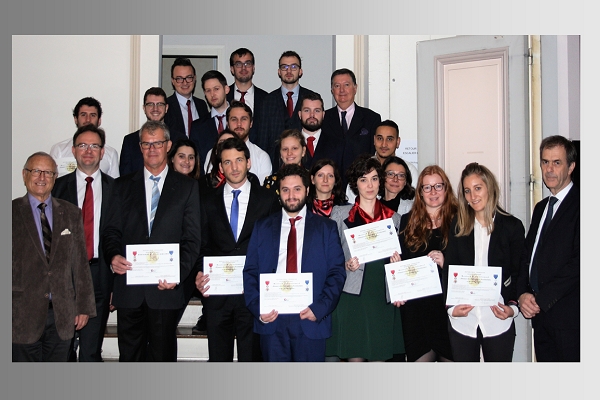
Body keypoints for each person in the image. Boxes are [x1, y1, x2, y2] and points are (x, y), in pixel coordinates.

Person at [102, 120, 201, 362]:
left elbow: (192, 239)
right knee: (130, 357)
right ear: (140, 147)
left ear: (168, 145)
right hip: (129, 289)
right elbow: (110, 231)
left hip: (165, 290)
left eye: (157, 143)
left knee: (162, 357)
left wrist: (177, 273)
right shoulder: (121, 186)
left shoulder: (187, 187)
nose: (152, 149)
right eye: (146, 144)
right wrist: (113, 256)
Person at [243, 163, 346, 361]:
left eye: (297, 189)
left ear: (307, 190)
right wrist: (258, 308)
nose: (291, 195)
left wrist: (320, 309)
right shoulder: (262, 227)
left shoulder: (327, 228)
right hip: (272, 320)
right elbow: (250, 272)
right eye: (285, 190)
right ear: (278, 192)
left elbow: (337, 273)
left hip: (310, 318)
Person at [194, 137, 280, 361]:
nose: (234, 167)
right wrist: (198, 273)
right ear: (220, 167)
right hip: (217, 296)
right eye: (228, 162)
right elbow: (200, 243)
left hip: (252, 296)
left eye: (239, 160)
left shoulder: (268, 199)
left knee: (251, 360)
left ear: (248, 163)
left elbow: (274, 246)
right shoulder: (207, 201)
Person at [13, 152, 96, 362]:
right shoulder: (10, 213)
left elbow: (80, 265)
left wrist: (84, 307)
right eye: (36, 171)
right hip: (21, 315)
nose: (42, 177)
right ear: (24, 175)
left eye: (48, 173)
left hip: (62, 315)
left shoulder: (71, 213)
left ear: (55, 177)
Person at [325, 155, 404, 362]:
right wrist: (345, 265)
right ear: (355, 184)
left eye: (374, 178)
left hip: (381, 293)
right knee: (354, 359)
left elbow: (404, 264)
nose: (370, 185)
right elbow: (329, 259)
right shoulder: (340, 214)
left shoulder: (395, 218)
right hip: (352, 295)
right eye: (363, 179)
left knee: (379, 358)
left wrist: (398, 264)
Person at [444, 162, 525, 362]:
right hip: (463, 321)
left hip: (498, 319)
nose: (473, 196)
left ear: (490, 187)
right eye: (467, 191)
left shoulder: (512, 227)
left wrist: (513, 307)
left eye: (478, 188)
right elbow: (449, 270)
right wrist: (451, 308)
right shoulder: (458, 225)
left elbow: (519, 272)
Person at [52, 125, 115, 362]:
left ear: (102, 152)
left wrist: (115, 286)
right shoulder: (57, 188)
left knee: (90, 352)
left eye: (94, 146)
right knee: (62, 351)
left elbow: (119, 237)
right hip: (63, 278)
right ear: (74, 150)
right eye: (83, 145)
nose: (88, 151)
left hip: (100, 276)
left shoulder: (116, 189)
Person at [516, 135, 580, 362]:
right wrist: (522, 293)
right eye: (545, 162)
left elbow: (579, 263)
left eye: (557, 162)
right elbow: (528, 256)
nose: (549, 169)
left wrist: (541, 300)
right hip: (540, 319)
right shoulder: (542, 207)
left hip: (569, 320)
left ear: (571, 166)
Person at [398, 165, 456, 362]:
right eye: (427, 187)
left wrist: (446, 263)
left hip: (448, 309)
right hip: (417, 311)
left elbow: (471, 264)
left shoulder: (460, 221)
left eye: (438, 186)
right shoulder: (407, 221)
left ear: (446, 189)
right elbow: (402, 264)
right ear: (420, 192)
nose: (433, 192)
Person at [256, 50, 316, 167]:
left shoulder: (311, 99)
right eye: (284, 67)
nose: (289, 71)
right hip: (274, 167)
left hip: (306, 166)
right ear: (279, 72)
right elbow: (262, 141)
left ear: (300, 71)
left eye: (293, 66)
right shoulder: (267, 101)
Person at [322, 68, 381, 175]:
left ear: (355, 88)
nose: (342, 90)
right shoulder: (323, 118)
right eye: (337, 86)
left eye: (346, 85)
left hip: (361, 182)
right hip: (331, 183)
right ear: (332, 90)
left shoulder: (371, 118)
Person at [345, 120, 418, 203]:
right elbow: (350, 204)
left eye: (389, 139)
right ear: (374, 140)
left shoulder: (409, 170)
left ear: (398, 142)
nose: (384, 144)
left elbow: (414, 205)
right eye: (380, 138)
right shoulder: (361, 167)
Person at [120, 87, 186, 176]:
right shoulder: (130, 141)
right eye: (150, 104)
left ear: (166, 108)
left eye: (160, 104)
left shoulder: (180, 139)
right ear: (144, 108)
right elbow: (125, 178)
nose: (155, 109)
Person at [50, 97, 120, 178]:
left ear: (99, 120)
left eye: (93, 115)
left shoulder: (110, 153)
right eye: (83, 115)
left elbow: (114, 186)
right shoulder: (59, 150)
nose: (88, 120)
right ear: (75, 119)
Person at [205, 101, 272, 184]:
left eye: (244, 119)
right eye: (234, 119)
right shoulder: (213, 153)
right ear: (227, 124)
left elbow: (262, 193)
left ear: (251, 123)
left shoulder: (262, 157)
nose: (239, 124)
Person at [226, 47, 268, 143]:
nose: (243, 68)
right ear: (232, 69)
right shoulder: (224, 97)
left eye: (247, 64)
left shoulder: (266, 99)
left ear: (253, 68)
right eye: (238, 64)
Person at [190, 70, 230, 169]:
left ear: (226, 89)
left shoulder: (240, 121)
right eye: (208, 90)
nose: (212, 94)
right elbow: (196, 162)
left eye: (216, 89)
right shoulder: (197, 127)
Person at [164, 57, 209, 137]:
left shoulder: (202, 105)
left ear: (195, 78)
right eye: (179, 79)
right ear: (173, 81)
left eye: (189, 77)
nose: (185, 83)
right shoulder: (166, 106)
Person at [298, 92, 344, 170]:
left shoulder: (338, 145)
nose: (312, 115)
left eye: (317, 111)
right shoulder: (288, 145)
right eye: (307, 110)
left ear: (323, 114)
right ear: (299, 114)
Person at [263, 129, 307, 196]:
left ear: (303, 151)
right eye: (285, 149)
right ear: (280, 153)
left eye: (294, 148)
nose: (289, 153)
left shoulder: (313, 180)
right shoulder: (270, 182)